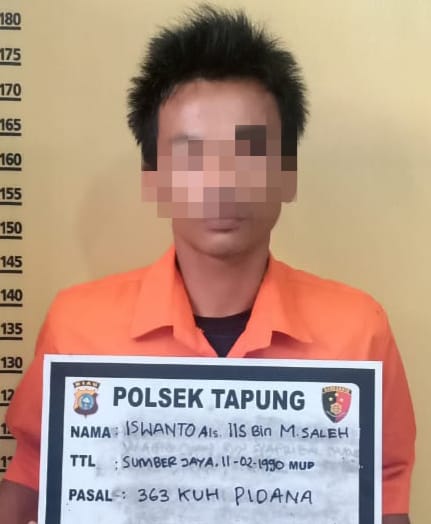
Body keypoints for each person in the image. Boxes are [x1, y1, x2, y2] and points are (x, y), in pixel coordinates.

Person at [0, 5, 415, 524]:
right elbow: (33, 475)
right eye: (191, 155)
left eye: (250, 151)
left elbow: (383, 495)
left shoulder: (357, 330)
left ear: (288, 176)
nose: (221, 181)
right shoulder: (77, 326)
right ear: (153, 181)